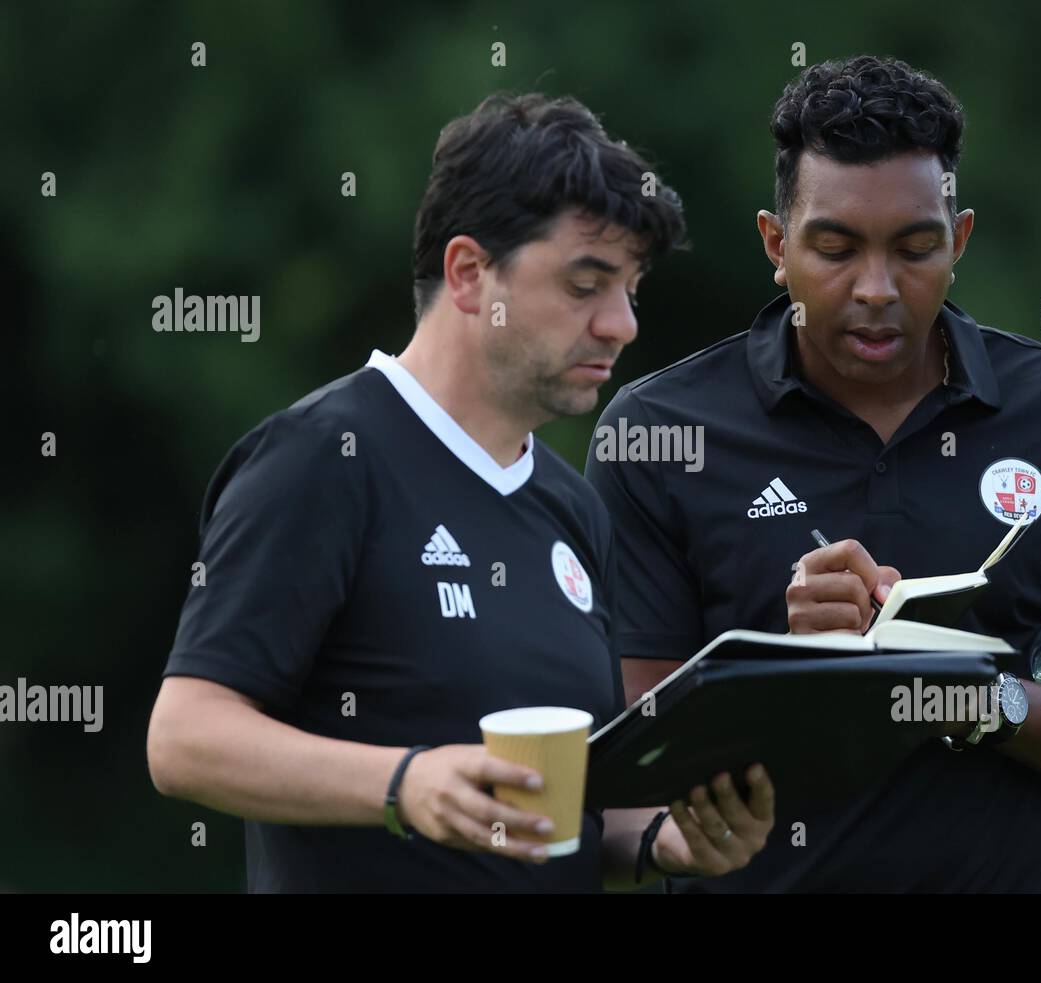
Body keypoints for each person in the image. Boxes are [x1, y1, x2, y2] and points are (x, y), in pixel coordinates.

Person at [584, 55, 1041, 892]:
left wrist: (971, 697)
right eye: (834, 248)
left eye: (915, 249)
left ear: (960, 240)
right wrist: (791, 672)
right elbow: (623, 797)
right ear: (776, 243)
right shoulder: (659, 432)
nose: (876, 288)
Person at [147, 92, 774, 892]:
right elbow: (186, 739)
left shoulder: (573, 507)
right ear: (472, 274)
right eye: (587, 284)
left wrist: (662, 839)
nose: (622, 324)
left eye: (632, 289)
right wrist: (403, 784)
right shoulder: (322, 459)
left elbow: (572, 814)